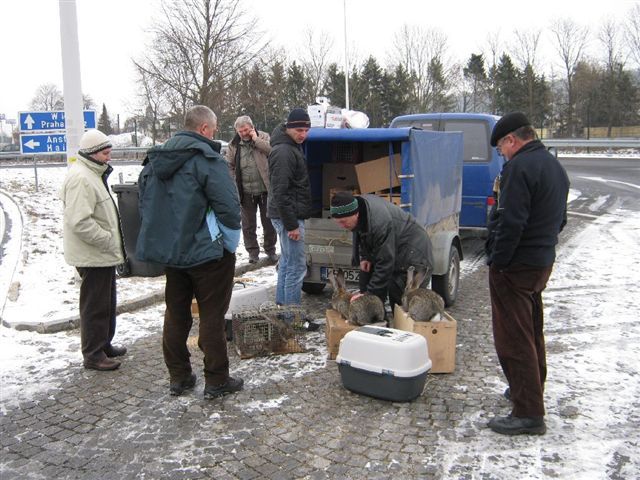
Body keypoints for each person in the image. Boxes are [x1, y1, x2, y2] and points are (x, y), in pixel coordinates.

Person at [136, 105, 244, 399]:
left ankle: (179, 377)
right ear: (204, 129)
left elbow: (146, 205)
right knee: (211, 315)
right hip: (208, 254)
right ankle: (217, 380)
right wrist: (229, 243)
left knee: (176, 313)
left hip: (173, 254)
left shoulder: (154, 162)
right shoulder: (207, 160)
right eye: (215, 127)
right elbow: (230, 209)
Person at [485, 112, 569, 435]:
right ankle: (530, 388)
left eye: (501, 147)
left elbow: (510, 222)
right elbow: (560, 219)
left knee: (514, 338)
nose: (502, 154)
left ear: (512, 140)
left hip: (515, 267)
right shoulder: (554, 166)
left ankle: (528, 412)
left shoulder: (518, 168)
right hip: (540, 262)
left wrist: (499, 261)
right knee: (532, 330)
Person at [60, 129, 127, 371]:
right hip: (93, 254)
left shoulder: (92, 174)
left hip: (100, 254)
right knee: (94, 306)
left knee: (106, 303)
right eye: (106, 153)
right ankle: (93, 354)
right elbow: (79, 221)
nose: (109, 157)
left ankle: (103, 344)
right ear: (93, 153)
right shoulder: (81, 178)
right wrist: (107, 240)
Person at [330, 191, 434, 313]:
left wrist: (370, 295)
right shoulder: (359, 210)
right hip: (393, 248)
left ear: (356, 214)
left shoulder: (379, 222)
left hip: (413, 252)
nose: (342, 226)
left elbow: (385, 263)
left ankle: (400, 329)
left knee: (401, 303)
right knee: (366, 278)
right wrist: (365, 257)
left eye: (343, 222)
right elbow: (361, 232)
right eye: (338, 222)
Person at [267, 108, 319, 331]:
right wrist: (291, 225)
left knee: (288, 263)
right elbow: (281, 191)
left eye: (306, 130)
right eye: (299, 130)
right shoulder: (285, 152)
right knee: (296, 267)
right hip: (289, 217)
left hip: (287, 215)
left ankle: (283, 310)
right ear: (288, 127)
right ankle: (293, 317)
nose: (303, 134)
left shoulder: (289, 146)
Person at [226, 115, 277, 264]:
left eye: (246, 130)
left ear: (252, 127)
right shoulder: (234, 145)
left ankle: (270, 250)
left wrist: (256, 140)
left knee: (268, 223)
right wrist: (233, 180)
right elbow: (229, 165)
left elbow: (272, 151)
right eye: (240, 131)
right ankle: (252, 253)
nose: (243, 133)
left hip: (265, 190)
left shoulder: (263, 137)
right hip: (245, 191)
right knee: (248, 225)